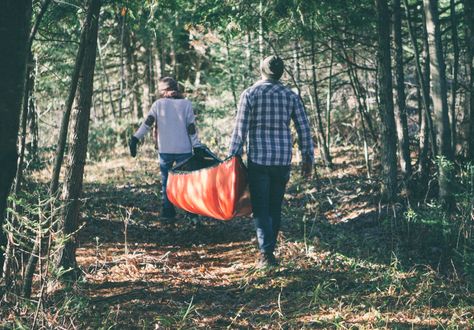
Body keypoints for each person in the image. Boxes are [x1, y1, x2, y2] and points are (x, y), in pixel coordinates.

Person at [229, 55, 314, 268]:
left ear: (262, 71)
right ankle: (269, 250)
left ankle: (266, 253)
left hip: (259, 159)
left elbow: (240, 130)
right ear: (280, 73)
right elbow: (304, 128)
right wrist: (308, 158)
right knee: (275, 206)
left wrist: (232, 157)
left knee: (261, 207)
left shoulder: (250, 94)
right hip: (282, 159)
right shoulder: (290, 96)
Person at [129, 77, 203, 219]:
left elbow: (147, 124)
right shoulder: (186, 104)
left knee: (166, 183)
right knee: (186, 182)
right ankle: (191, 214)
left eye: (161, 90)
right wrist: (197, 145)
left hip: (165, 151)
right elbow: (191, 127)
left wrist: (135, 138)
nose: (160, 93)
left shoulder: (158, 105)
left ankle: (168, 213)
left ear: (166, 90)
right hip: (184, 150)